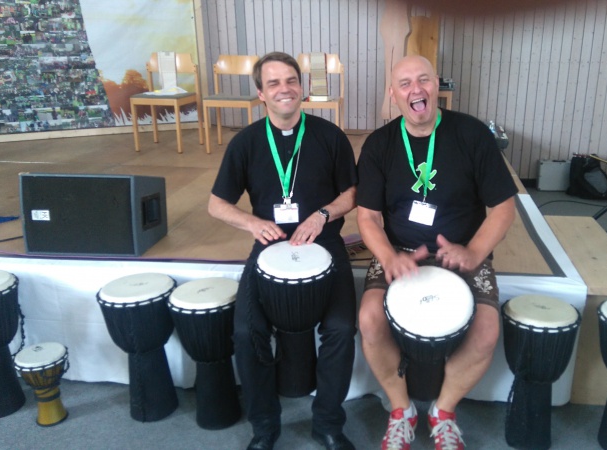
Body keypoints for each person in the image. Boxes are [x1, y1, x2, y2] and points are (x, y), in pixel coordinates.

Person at [356, 55, 518, 450]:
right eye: (405, 83)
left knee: (486, 330)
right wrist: (388, 257)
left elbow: (503, 207)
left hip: (461, 251)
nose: (416, 89)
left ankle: (443, 411)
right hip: (399, 250)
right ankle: (401, 410)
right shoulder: (379, 144)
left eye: (423, 80)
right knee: (369, 318)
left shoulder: (472, 134)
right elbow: (368, 216)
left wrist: (474, 251)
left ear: (436, 85)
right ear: (393, 94)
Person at [208, 52, 357, 450]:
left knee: (341, 329)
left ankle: (328, 424)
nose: (284, 89)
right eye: (273, 83)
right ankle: (264, 426)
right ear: (261, 93)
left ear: (302, 88)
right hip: (269, 246)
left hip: (324, 243)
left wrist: (323, 215)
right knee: (245, 331)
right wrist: (251, 223)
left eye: (291, 80)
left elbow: (351, 193)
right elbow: (216, 205)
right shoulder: (246, 142)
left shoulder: (330, 136)